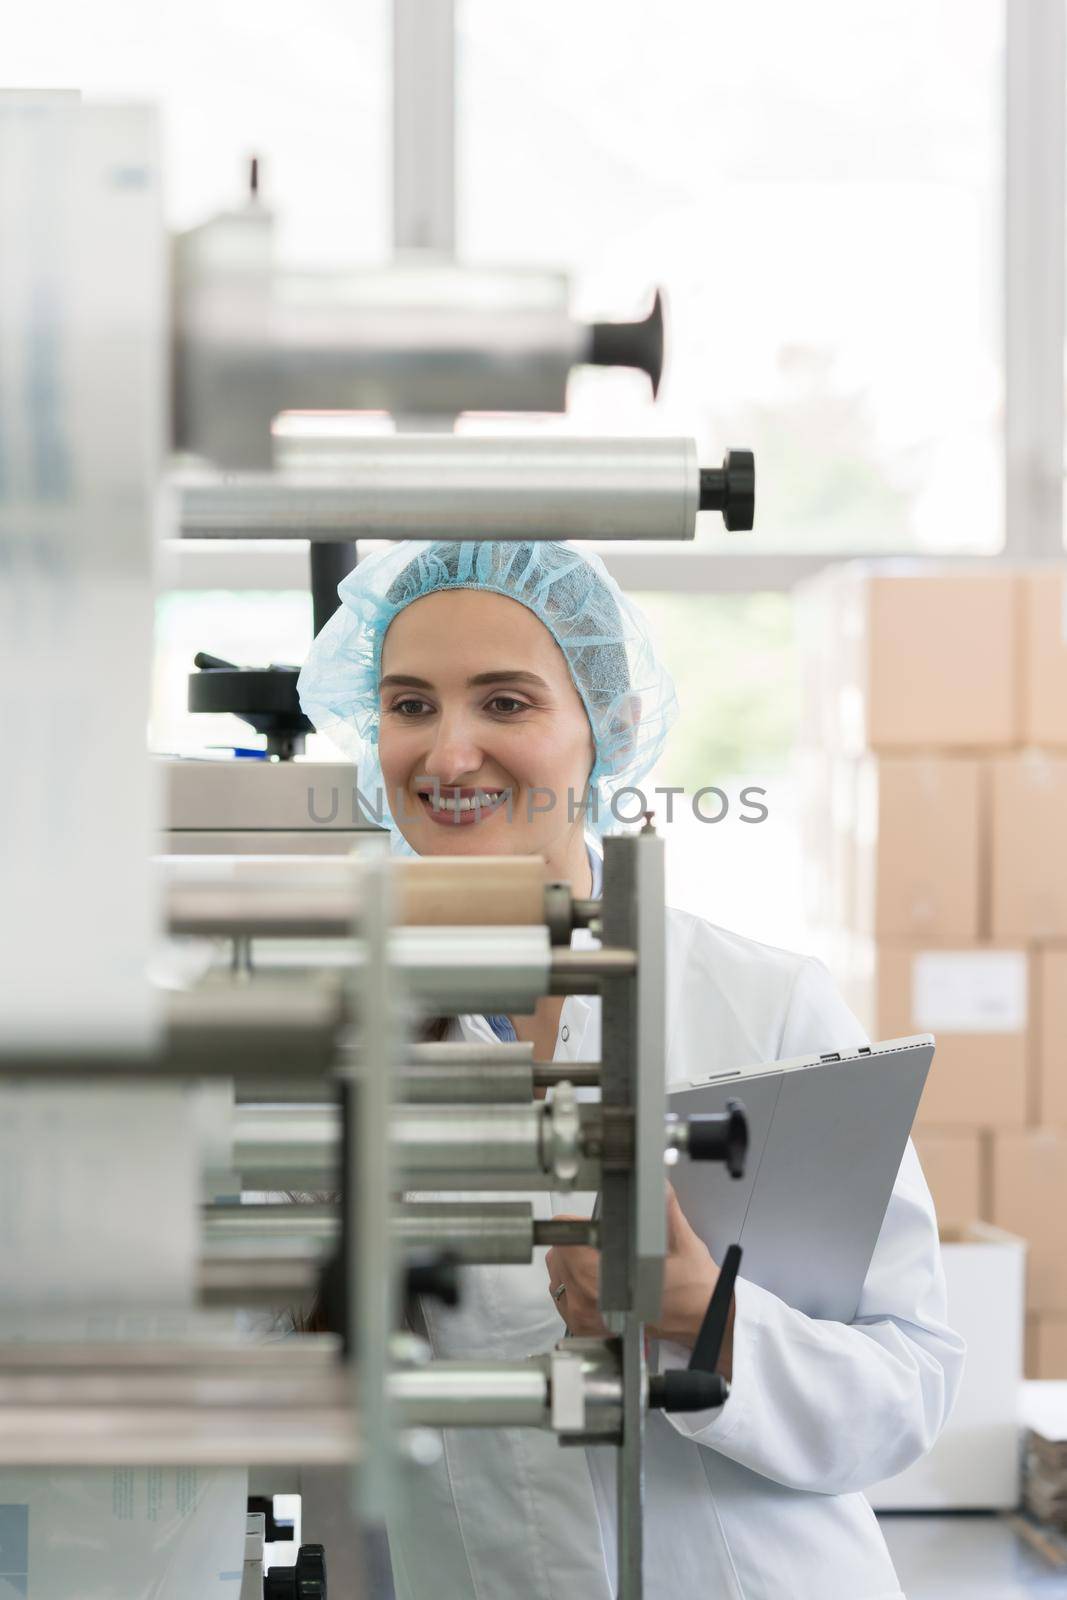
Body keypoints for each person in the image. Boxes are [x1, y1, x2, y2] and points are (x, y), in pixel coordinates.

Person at [297, 539, 965, 1600]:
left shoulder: (762, 1005)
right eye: (409, 704)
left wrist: (700, 1315)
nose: (447, 753)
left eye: (505, 702)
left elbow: (908, 1386)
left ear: (601, 730)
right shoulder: (322, 1038)